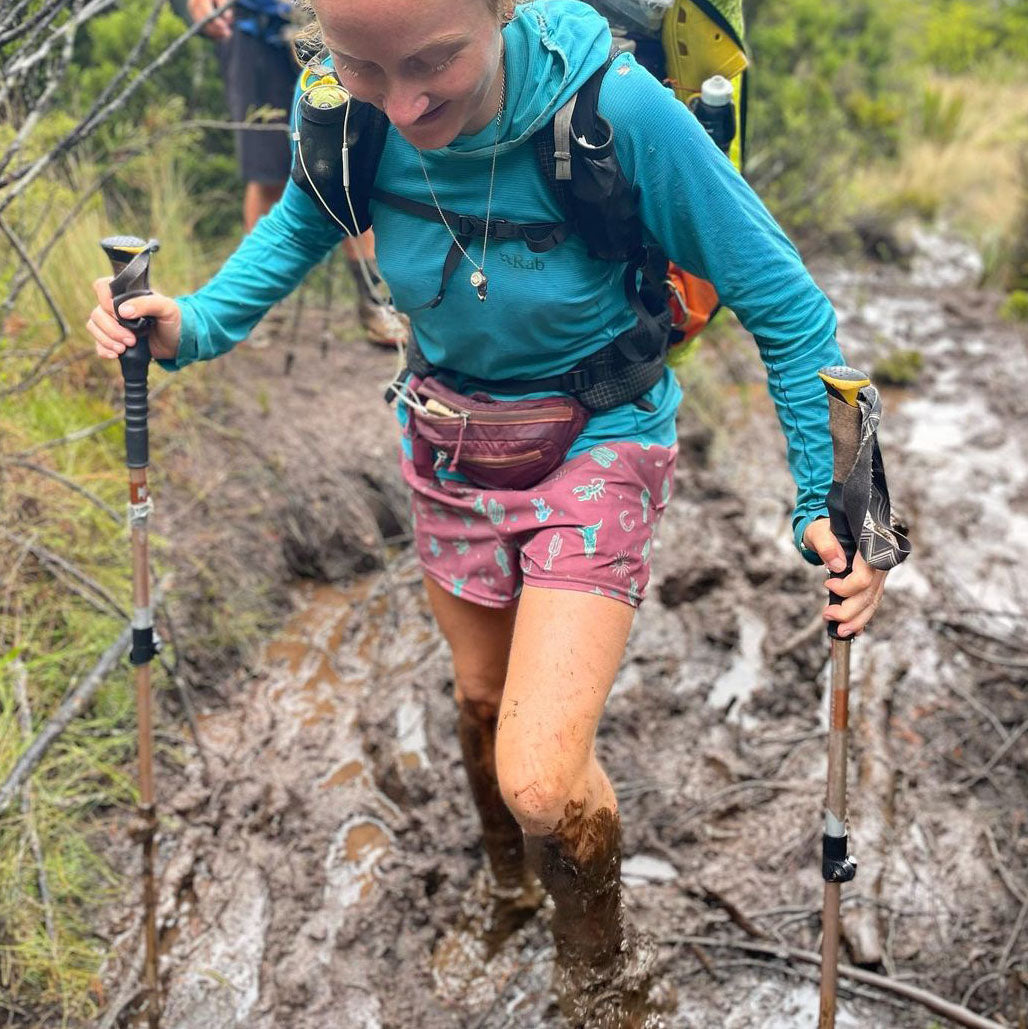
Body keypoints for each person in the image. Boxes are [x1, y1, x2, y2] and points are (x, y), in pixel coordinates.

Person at [88, 0, 890, 1024]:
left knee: (542, 781)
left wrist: (823, 499)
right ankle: (512, 890)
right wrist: (189, 323)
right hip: (445, 438)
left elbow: (783, 303)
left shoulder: (617, 109)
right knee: (477, 702)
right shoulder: (340, 104)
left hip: (596, 437)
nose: (407, 104)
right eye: (366, 69)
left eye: (433, 63)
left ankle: (596, 985)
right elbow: (304, 219)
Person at [179, 0, 409, 347]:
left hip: (341, 20)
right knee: (266, 170)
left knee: (355, 159)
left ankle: (375, 301)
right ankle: (259, 306)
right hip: (254, 27)